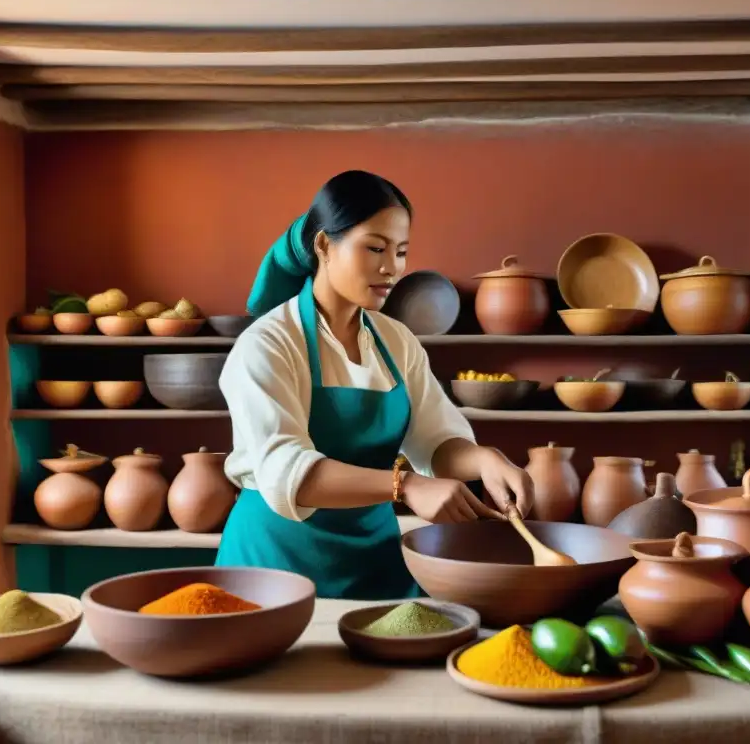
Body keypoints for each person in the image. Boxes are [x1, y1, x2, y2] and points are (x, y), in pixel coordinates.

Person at [215, 169, 534, 600]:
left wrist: (485, 461)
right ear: (325, 245)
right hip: (276, 564)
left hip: (375, 563)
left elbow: (435, 441)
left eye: (401, 252)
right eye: (375, 248)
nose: (392, 268)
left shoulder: (395, 340)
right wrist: (406, 486)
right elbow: (287, 472)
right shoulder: (268, 344)